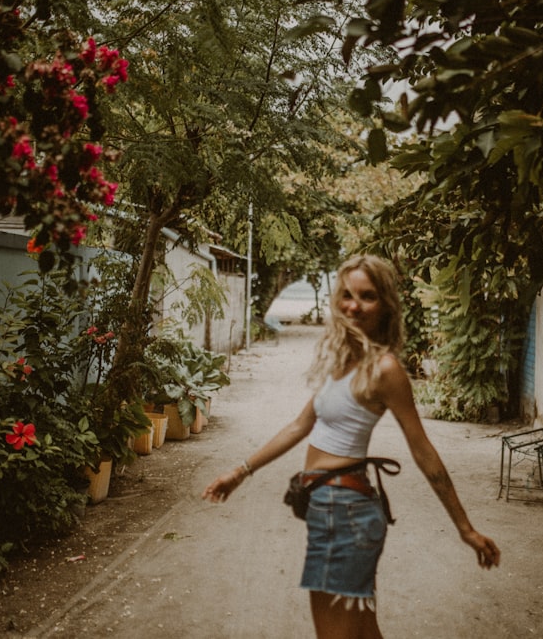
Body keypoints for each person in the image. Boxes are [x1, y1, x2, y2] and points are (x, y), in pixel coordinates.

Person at [202, 254, 500, 638]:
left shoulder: (385, 369)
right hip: (334, 510)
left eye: (368, 296)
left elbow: (422, 449)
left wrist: (465, 528)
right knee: (362, 633)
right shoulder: (341, 361)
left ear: (386, 305)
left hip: (344, 515)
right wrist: (239, 472)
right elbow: (300, 426)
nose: (353, 305)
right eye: (347, 294)